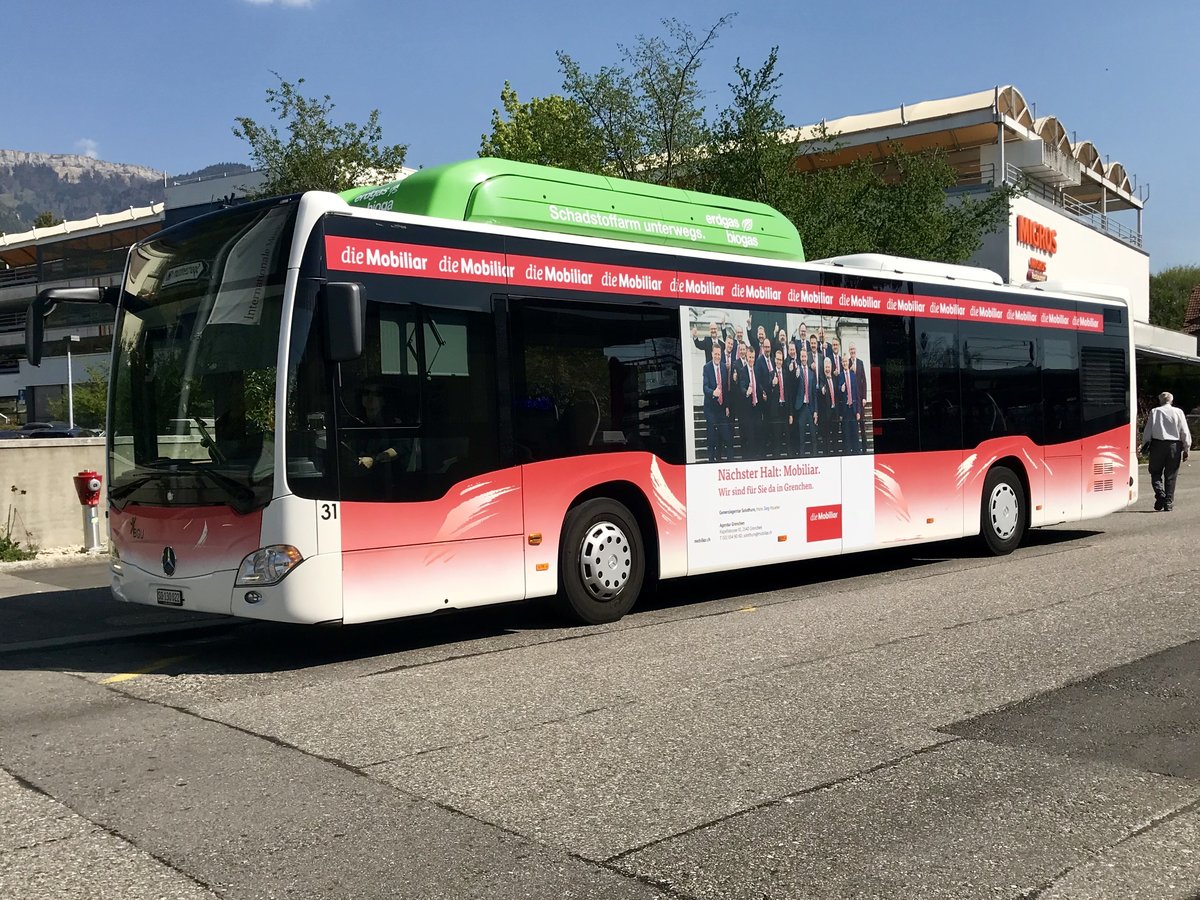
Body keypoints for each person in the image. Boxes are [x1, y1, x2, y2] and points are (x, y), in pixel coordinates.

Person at [1141, 391, 1192, 511]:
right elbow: (1184, 431)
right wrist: (1186, 448)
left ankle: (1160, 493)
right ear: (1172, 400)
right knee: (1171, 475)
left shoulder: (1155, 411)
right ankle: (1168, 502)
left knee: (1155, 472)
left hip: (1157, 445)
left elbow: (1148, 431)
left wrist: (1145, 445)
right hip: (1174, 445)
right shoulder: (1178, 412)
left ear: (1160, 401)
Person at [702, 345, 732, 461]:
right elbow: (704, 387)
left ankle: (729, 463)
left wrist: (727, 406)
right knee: (712, 439)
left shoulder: (724, 368)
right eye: (716, 354)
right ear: (712, 354)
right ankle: (711, 461)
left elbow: (725, 389)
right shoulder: (707, 367)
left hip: (721, 408)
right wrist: (713, 392)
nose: (717, 356)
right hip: (710, 409)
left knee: (727, 437)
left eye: (719, 354)